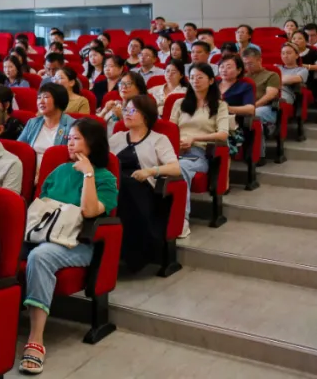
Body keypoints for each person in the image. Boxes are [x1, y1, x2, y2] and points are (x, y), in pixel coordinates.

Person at [20, 119, 118, 375]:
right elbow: (40, 208)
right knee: (2, 248)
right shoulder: (59, 170)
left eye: (76, 139)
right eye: (68, 138)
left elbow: (89, 211)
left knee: (40, 256)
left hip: (78, 244)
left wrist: (88, 174)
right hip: (43, 235)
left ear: (92, 143)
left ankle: (36, 338)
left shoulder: (106, 178)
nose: (69, 143)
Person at [109, 95, 181, 272]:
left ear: (146, 116)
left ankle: (134, 256)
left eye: (133, 110)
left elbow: (175, 168)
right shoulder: (117, 138)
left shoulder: (159, 139)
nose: (127, 114)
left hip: (143, 189)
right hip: (115, 187)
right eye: (125, 110)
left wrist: (150, 171)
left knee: (127, 186)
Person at [171, 63, 229, 237]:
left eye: (200, 77)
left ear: (211, 80)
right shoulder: (179, 103)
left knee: (180, 169)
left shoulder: (219, 105)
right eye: (192, 77)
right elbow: (170, 129)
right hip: (175, 151)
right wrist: (176, 142)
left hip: (199, 154)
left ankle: (181, 220)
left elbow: (223, 134)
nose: (195, 80)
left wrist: (194, 139)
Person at [19, 84, 76, 169]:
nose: (41, 101)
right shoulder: (32, 123)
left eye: (46, 97)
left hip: (58, 172)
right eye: (39, 97)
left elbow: (75, 157)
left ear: (58, 99)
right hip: (30, 171)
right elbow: (19, 149)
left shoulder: (72, 126)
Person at [217, 54, 256, 156]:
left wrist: (227, 108)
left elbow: (250, 109)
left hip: (231, 125)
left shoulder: (245, 86)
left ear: (239, 70)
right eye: (221, 66)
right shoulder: (212, 84)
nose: (224, 70)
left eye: (228, 67)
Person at [242, 47, 280, 134]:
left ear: (259, 60)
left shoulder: (271, 75)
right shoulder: (243, 77)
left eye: (250, 64)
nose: (247, 67)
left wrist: (253, 107)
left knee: (250, 114)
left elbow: (270, 96)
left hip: (265, 107)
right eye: (245, 64)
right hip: (245, 106)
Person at [278, 42, 308, 108]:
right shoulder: (276, 67)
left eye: (288, 53)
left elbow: (295, 79)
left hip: (284, 95)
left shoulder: (302, 70)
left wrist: (274, 80)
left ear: (297, 55)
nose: (285, 56)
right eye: (283, 53)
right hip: (268, 92)